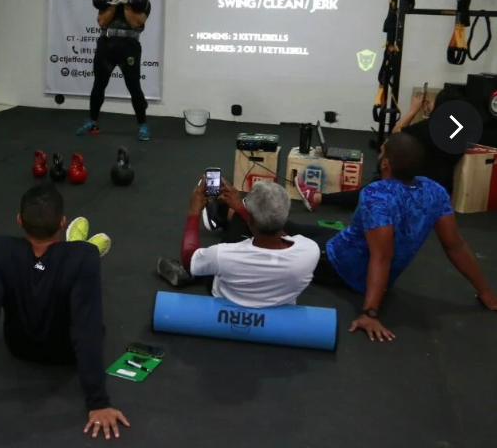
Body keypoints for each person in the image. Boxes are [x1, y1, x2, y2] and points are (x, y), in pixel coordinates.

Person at [205, 133, 497, 341]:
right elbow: (455, 244)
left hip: (339, 264)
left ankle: (228, 217)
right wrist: (485, 291)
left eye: (382, 151)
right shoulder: (434, 191)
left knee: (268, 232)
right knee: (286, 222)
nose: (379, 154)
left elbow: (382, 257)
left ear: (386, 163)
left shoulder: (377, 196)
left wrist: (370, 312)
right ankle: (230, 209)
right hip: (347, 241)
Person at [0, 184, 129, 440]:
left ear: (19, 220)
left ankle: (68, 251)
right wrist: (98, 401)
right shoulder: (87, 257)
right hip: (67, 354)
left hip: (20, 347)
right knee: (84, 264)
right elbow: (86, 330)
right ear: (62, 222)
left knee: (72, 266)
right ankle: (73, 247)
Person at [156, 179, 321, 308]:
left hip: (226, 296)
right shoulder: (310, 250)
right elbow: (280, 233)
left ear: (250, 220)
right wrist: (240, 207)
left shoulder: (222, 254)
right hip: (281, 301)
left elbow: (188, 257)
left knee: (234, 225)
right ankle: (221, 219)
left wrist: (193, 213)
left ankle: (198, 269)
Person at [296, 87, 466, 210]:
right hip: (441, 192)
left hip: (419, 191)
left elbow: (396, 134)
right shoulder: (460, 131)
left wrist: (413, 111)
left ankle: (317, 198)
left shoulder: (428, 128)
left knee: (376, 189)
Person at [76, 0, 152, 142]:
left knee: (134, 87)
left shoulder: (142, 0)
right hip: (107, 45)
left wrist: (125, 3)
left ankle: (143, 125)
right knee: (98, 85)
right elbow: (102, 22)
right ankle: (92, 122)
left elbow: (135, 23)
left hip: (129, 48)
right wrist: (116, 1)